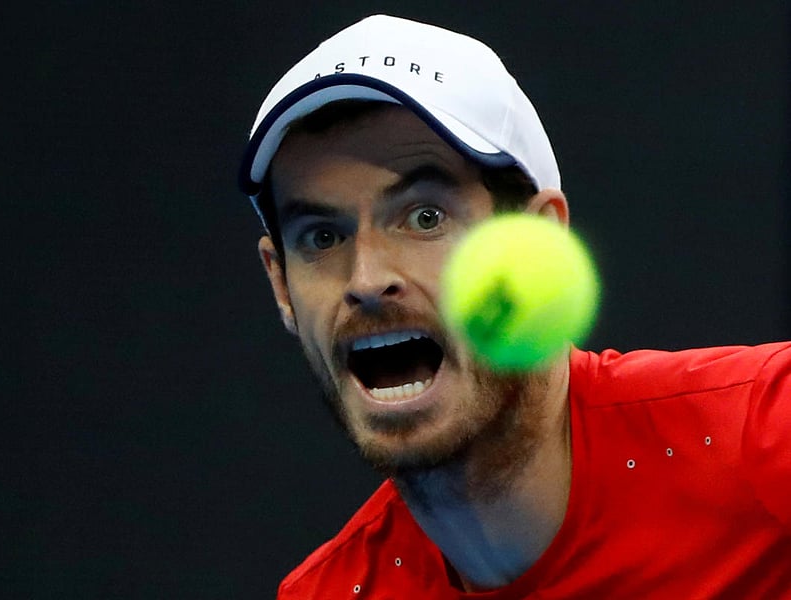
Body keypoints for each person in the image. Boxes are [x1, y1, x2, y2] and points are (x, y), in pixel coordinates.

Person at [238, 15, 791, 599]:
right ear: (281, 286)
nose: (367, 279)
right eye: (322, 238)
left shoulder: (767, 427)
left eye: (426, 217)